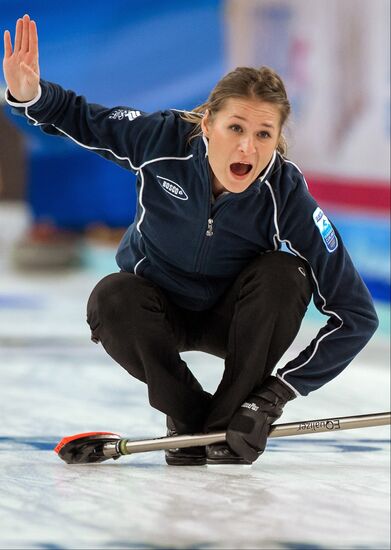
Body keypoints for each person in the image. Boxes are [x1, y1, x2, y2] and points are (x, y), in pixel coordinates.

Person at [3, 14, 379, 466]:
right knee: (112, 295)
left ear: (278, 139)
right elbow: (83, 118)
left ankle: (233, 417)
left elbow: (356, 315)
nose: (247, 149)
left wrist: (273, 398)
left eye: (264, 134)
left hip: (235, 321)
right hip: (159, 311)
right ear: (206, 125)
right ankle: (190, 419)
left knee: (286, 276)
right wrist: (31, 96)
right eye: (235, 128)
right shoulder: (161, 139)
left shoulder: (285, 191)